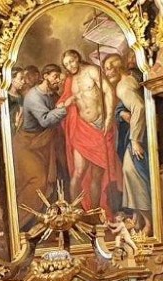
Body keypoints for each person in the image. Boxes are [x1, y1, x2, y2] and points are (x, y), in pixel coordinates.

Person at [58, 49, 121, 214]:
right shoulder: (69, 81)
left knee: (97, 174)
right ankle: (75, 213)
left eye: (71, 61)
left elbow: (108, 91)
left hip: (99, 126)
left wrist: (108, 118)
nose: (70, 66)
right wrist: (66, 102)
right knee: (78, 172)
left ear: (77, 58)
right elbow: (62, 104)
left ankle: (93, 212)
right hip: (81, 129)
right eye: (66, 65)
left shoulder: (92, 71)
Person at [14, 64, 68, 228]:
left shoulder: (51, 95)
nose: (57, 80)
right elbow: (45, 120)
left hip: (42, 144)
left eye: (59, 77)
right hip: (27, 145)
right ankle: (20, 223)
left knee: (51, 181)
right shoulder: (33, 97)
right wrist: (64, 108)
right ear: (45, 76)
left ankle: (42, 222)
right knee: (38, 181)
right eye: (55, 76)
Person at [103, 55, 152, 236]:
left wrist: (135, 140)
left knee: (133, 173)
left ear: (118, 68)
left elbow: (139, 107)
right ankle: (137, 218)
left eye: (109, 68)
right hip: (135, 135)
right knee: (130, 173)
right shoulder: (128, 81)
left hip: (136, 138)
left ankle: (148, 222)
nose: (107, 73)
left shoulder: (123, 86)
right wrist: (121, 112)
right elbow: (130, 106)